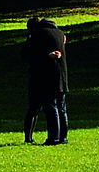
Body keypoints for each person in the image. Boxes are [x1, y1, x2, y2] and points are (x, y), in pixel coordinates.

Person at [21, 16, 69, 145]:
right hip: (62, 76)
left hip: (47, 77)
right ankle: (63, 137)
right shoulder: (60, 33)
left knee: (51, 107)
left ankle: (53, 138)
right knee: (61, 108)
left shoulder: (39, 34)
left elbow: (27, 54)